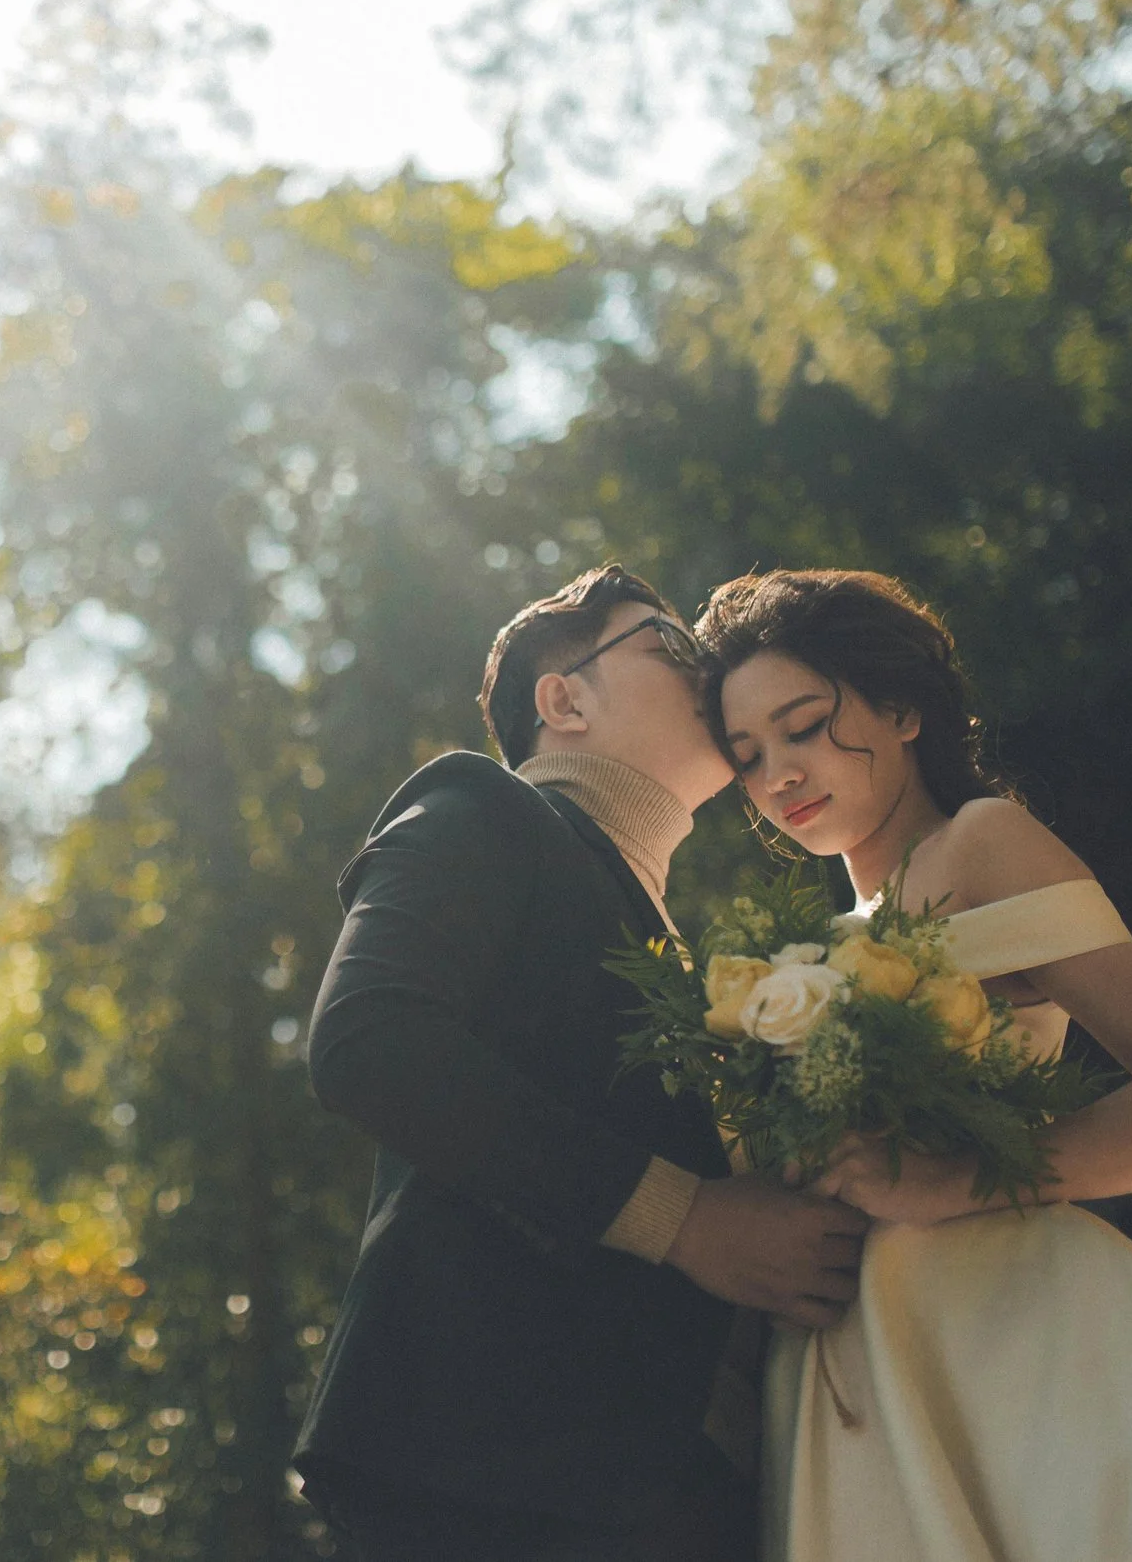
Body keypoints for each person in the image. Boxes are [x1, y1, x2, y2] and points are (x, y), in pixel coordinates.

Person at [695, 567, 1132, 1562]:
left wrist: (956, 1179)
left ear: (900, 707)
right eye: (746, 754)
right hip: (864, 1377)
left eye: (805, 722)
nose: (778, 771)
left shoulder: (982, 842)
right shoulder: (814, 948)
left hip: (1020, 1344)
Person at [293, 565, 872, 1562]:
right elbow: (369, 1038)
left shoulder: (676, 951)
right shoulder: (480, 806)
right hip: (491, 1482)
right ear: (561, 699)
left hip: (672, 1497)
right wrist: (683, 1216)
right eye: (671, 646)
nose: (711, 667)